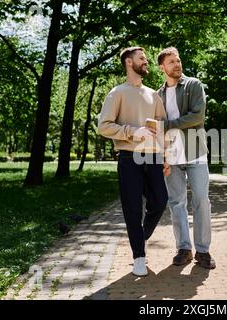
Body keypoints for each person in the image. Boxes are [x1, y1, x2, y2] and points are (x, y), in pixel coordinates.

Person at [98, 47, 170, 276]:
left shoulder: (153, 95)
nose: (146, 61)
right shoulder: (117, 93)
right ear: (129, 63)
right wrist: (132, 131)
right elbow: (104, 126)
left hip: (153, 157)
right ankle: (139, 255)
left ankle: (139, 236)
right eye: (142, 58)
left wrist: (166, 155)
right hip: (129, 158)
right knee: (132, 208)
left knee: (160, 201)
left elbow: (162, 127)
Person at [157, 47, 216, 269]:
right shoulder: (158, 94)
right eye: (171, 62)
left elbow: (197, 116)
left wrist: (168, 126)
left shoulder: (193, 85)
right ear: (162, 67)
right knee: (176, 202)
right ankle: (184, 248)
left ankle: (203, 251)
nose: (177, 64)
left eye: (178, 60)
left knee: (201, 200)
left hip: (195, 152)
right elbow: (155, 126)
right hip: (171, 154)